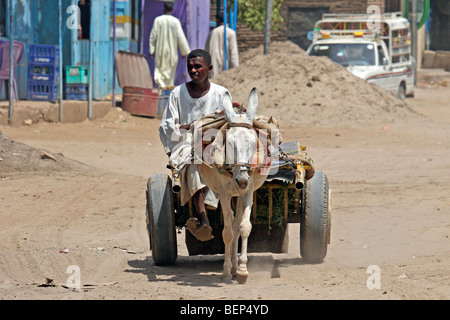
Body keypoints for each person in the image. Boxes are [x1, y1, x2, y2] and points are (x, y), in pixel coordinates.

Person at [159, 49, 231, 241]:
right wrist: (186, 129)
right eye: (190, 67)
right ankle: (203, 218)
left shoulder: (221, 93)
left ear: (209, 68)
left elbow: (228, 122)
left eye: (198, 66)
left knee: (221, 161)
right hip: (186, 143)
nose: (193, 70)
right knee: (192, 161)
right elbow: (167, 125)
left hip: (215, 142)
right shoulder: (177, 93)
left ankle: (214, 204)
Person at [149, 2, 190, 88]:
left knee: (159, 71)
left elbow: (153, 36)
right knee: (170, 73)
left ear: (163, 8)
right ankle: (168, 91)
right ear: (172, 10)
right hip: (172, 53)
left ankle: (161, 88)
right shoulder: (175, 22)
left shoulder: (157, 20)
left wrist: (151, 50)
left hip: (160, 51)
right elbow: (181, 37)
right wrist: (184, 51)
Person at [205, 12, 239, 79]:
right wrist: (236, 69)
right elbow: (234, 54)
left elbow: (206, 50)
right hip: (227, 67)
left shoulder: (213, 33)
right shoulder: (231, 33)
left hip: (214, 65)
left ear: (217, 20)